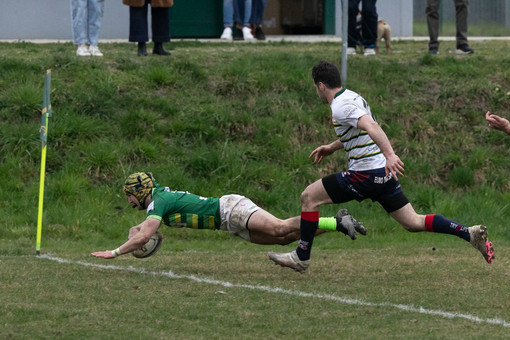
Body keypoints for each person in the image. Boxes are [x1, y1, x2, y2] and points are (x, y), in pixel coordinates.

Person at [267, 61, 495, 273]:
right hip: (383, 175)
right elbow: (360, 132)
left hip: (365, 174)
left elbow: (372, 126)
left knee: (309, 197)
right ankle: (468, 233)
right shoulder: (353, 97)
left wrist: (390, 154)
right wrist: (332, 147)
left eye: (315, 88)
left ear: (320, 85)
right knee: (413, 222)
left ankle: (301, 256)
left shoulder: (339, 106)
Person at [91, 172, 366, 259]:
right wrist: (134, 233)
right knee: (284, 240)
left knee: (281, 228)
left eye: (129, 193)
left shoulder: (159, 201)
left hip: (231, 210)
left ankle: (337, 220)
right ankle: (338, 223)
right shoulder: (158, 203)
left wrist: (114, 252)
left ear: (140, 191)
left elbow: (148, 234)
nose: (127, 200)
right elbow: (144, 229)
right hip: (228, 224)